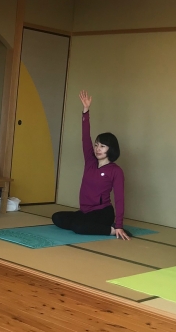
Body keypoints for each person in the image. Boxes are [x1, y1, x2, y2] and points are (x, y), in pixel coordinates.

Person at [52, 89, 129, 240]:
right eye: (96, 145)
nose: (98, 149)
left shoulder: (116, 171)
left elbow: (119, 198)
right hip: (85, 211)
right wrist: (85, 110)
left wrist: (119, 225)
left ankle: (112, 230)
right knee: (57, 218)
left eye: (102, 146)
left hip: (103, 212)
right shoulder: (90, 161)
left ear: (111, 149)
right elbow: (85, 137)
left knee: (78, 227)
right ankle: (87, 224)